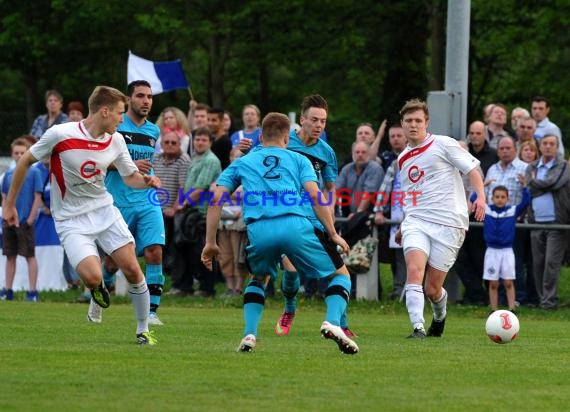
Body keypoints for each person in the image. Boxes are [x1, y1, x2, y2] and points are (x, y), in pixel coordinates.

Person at [2, 85, 159, 344]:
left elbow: (130, 177)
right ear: (105, 111)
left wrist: (147, 181)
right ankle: (97, 290)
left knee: (132, 268)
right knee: (93, 276)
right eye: (121, 113)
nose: (123, 118)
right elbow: (24, 162)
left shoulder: (116, 139)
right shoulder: (60, 134)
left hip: (104, 211)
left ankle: (143, 329)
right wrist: (9, 204)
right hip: (70, 219)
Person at [201, 112, 358, 354]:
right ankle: (333, 322)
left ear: (261, 136)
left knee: (259, 279)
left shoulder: (243, 162)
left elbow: (216, 200)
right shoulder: (298, 160)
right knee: (341, 275)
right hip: (295, 225)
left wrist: (210, 242)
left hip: (259, 229)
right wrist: (333, 233)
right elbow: (317, 196)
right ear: (287, 138)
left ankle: (250, 334)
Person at [395, 99, 485, 339]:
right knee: (414, 271)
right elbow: (409, 195)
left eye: (418, 121)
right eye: (408, 121)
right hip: (417, 221)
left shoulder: (443, 144)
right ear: (402, 124)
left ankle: (439, 316)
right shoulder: (402, 158)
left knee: (432, 289)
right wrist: (405, 223)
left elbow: (473, 170)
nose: (413, 125)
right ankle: (418, 328)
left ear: (426, 123)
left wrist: (481, 198)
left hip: (449, 223)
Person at [89, 80, 166, 326]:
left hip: (147, 199)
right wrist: (127, 165)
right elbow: (97, 161)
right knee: (112, 262)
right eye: (141, 96)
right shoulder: (114, 127)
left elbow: (149, 164)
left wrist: (150, 176)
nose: (146, 101)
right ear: (129, 100)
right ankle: (98, 295)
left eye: (149, 97)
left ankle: (152, 312)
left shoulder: (154, 131)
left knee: (155, 251)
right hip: (118, 200)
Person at [168, 127, 221, 297]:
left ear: (210, 143)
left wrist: (182, 203)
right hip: (190, 213)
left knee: (202, 251)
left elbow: (199, 188)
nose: (199, 142)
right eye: (197, 139)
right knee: (187, 251)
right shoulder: (196, 158)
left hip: (202, 213)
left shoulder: (210, 161)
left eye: (204, 140)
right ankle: (185, 286)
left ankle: (207, 288)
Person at [525, 134, 570, 310]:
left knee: (552, 263)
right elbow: (529, 185)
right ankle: (542, 298)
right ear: (540, 146)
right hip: (536, 222)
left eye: (552, 144)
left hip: (557, 222)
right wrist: (540, 185)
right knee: (537, 263)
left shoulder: (563, 166)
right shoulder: (532, 166)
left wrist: (535, 183)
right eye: (545, 143)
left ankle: (548, 302)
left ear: (557, 147)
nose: (548, 146)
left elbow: (555, 182)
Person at [0, 138, 43, 301]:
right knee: (10, 256)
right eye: (16, 153)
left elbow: (37, 197)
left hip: (25, 221)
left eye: (22, 153)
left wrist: (30, 219)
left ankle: (32, 292)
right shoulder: (8, 175)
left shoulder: (34, 172)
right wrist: (5, 216)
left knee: (29, 256)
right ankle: (7, 290)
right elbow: (5, 197)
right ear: (12, 154)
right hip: (9, 221)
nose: (19, 156)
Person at [476, 184, 530, 313]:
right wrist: (482, 186)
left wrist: (524, 187)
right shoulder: (487, 210)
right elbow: (474, 198)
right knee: (493, 283)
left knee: (508, 282)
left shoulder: (512, 211)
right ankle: (493, 309)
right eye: (497, 197)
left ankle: (512, 309)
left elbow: (526, 202)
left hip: (507, 251)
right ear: (492, 198)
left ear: (507, 199)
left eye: (503, 197)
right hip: (492, 251)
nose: (500, 199)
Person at [152, 131, 191, 275]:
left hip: (174, 208)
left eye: (173, 143)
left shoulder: (183, 159)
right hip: (155, 207)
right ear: (161, 145)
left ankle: (171, 269)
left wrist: (173, 209)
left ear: (180, 144)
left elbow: (183, 187)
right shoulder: (155, 158)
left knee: (173, 241)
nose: (170, 145)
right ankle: (158, 267)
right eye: (166, 142)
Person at [217, 148, 249, 297]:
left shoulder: (249, 175)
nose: (237, 159)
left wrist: (228, 194)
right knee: (225, 255)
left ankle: (238, 288)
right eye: (234, 156)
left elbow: (242, 194)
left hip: (239, 222)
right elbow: (214, 190)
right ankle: (229, 287)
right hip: (224, 219)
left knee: (239, 256)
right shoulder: (225, 174)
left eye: (240, 156)